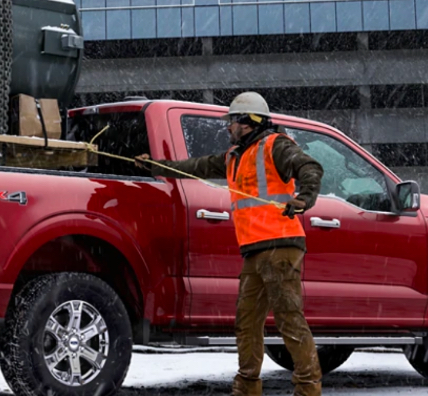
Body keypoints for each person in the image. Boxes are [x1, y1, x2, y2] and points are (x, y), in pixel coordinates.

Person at [136, 92, 324, 396]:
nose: (228, 128)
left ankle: (308, 388)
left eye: (232, 122)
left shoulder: (275, 145)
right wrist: (155, 167)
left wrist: (304, 199)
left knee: (289, 319)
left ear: (248, 123)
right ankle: (247, 387)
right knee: (247, 322)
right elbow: (193, 167)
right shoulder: (234, 156)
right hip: (255, 250)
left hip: (280, 244)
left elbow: (310, 168)